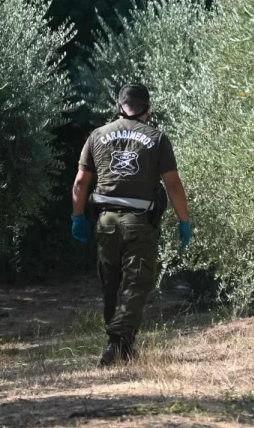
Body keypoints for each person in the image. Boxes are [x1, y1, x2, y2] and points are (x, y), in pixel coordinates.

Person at [70, 83, 191, 367]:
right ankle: (116, 341)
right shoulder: (157, 138)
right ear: (147, 110)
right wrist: (184, 221)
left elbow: (80, 182)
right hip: (139, 223)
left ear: (119, 106)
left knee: (111, 285)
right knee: (137, 283)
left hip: (106, 222)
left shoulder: (97, 136)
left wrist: (77, 217)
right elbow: (172, 184)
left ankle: (124, 348)